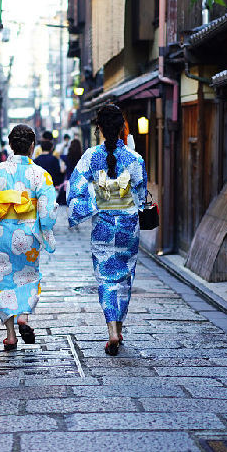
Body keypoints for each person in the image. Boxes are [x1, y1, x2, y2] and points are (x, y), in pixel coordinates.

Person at [66, 104, 147, 356]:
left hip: (103, 226)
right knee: (124, 277)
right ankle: (119, 328)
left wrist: (97, 201)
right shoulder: (135, 159)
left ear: (99, 129)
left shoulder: (90, 157)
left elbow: (75, 190)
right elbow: (142, 197)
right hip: (127, 228)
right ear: (123, 128)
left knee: (106, 279)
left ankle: (112, 329)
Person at [0, 125, 58, 350]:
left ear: (11, 145)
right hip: (29, 235)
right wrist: (44, 229)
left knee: (2, 280)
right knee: (28, 276)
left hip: (2, 233)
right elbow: (48, 210)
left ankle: (11, 335)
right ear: (32, 146)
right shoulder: (41, 175)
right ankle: (24, 315)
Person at [58, 139, 82, 205]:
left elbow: (62, 170)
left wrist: (63, 146)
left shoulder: (66, 158)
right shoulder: (82, 158)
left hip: (68, 182)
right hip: (79, 182)